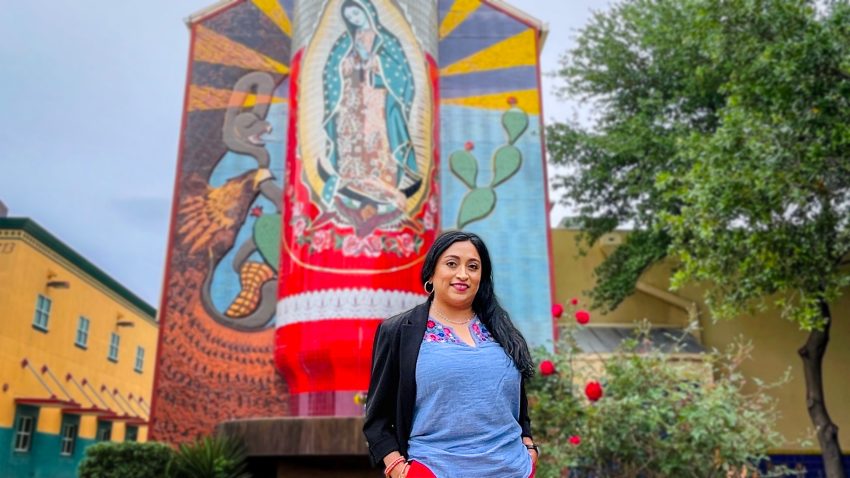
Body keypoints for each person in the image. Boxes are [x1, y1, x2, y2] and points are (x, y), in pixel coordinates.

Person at [363, 231, 539, 477]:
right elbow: (377, 419)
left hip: (512, 470)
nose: (463, 274)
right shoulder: (400, 332)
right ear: (431, 273)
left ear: (482, 277)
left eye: (473, 266)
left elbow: (517, 406)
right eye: (451, 264)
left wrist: (529, 448)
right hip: (436, 470)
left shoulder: (502, 330)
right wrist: (399, 469)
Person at [318, 0, 422, 235]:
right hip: (351, 100)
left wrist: (378, 64)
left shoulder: (387, 41)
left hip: (378, 100)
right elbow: (330, 71)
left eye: (357, 12)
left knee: (377, 140)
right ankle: (352, 177)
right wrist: (344, 67)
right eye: (350, 15)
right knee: (352, 141)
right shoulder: (345, 41)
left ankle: (382, 183)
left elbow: (402, 75)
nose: (355, 18)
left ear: (368, 11)